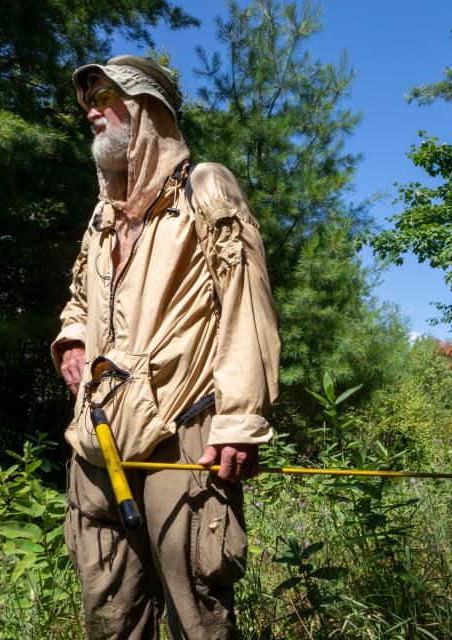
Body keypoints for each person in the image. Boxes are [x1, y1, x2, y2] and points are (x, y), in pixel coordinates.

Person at [50, 55, 280, 640]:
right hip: (97, 439)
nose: (93, 113)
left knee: (195, 612)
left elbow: (245, 307)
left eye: (106, 98)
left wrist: (239, 422)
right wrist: (73, 341)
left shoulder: (205, 188)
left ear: (147, 109)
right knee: (110, 613)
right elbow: (80, 298)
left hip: (184, 435)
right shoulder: (102, 219)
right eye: (89, 102)